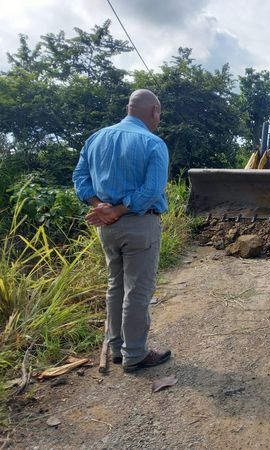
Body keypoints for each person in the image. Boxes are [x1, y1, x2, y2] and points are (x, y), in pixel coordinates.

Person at [73, 89, 171, 373]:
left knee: (115, 286)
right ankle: (135, 354)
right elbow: (152, 191)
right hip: (139, 224)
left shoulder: (96, 139)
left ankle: (116, 348)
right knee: (137, 291)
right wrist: (117, 210)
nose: (159, 119)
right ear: (154, 111)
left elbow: (79, 177)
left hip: (106, 227)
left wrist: (99, 206)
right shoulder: (153, 143)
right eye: (159, 114)